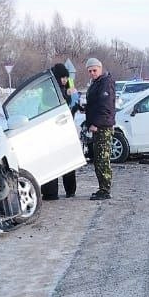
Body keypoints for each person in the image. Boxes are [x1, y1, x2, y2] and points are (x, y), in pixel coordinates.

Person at [41, 62, 79, 200]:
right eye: (62, 77)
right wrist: (67, 94)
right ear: (56, 78)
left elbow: (70, 105)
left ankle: (70, 190)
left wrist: (76, 106)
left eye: (66, 77)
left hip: (64, 128)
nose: (64, 80)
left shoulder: (66, 85)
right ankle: (51, 193)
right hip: (52, 129)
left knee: (68, 161)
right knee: (53, 162)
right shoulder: (49, 89)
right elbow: (55, 104)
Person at [81, 57, 116, 200]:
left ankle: (105, 190)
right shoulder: (97, 83)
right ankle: (102, 187)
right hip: (97, 126)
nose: (92, 73)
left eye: (94, 70)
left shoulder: (105, 83)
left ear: (100, 68)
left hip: (103, 127)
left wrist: (96, 123)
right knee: (98, 160)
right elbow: (94, 104)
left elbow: (105, 108)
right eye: (90, 71)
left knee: (102, 160)